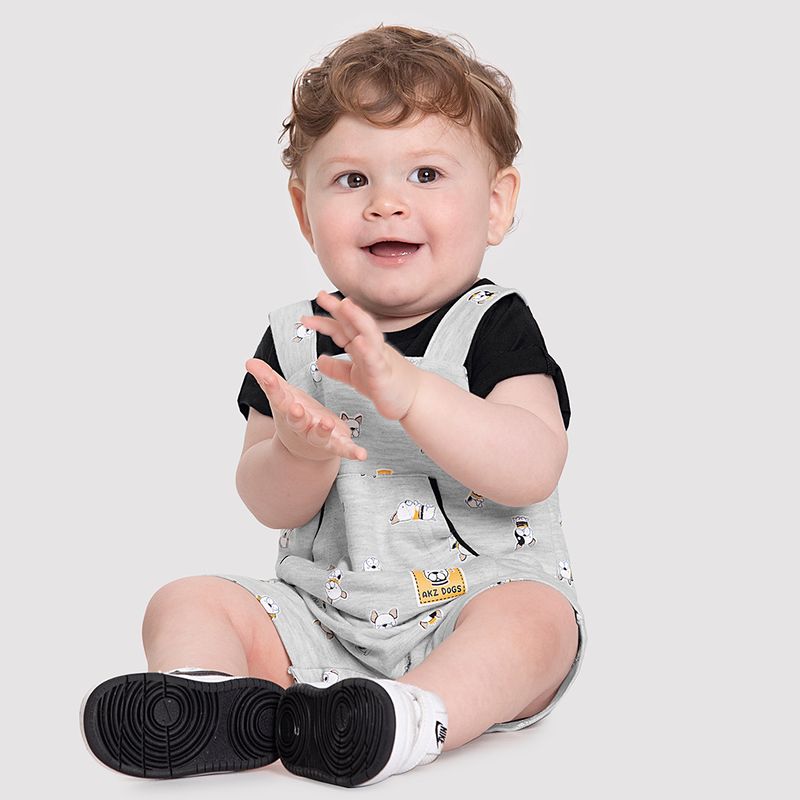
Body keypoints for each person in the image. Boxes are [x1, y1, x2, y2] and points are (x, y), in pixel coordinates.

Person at [80, 23, 587, 788]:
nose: (386, 204)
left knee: (538, 625)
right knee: (183, 599)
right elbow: (268, 504)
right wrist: (298, 453)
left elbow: (533, 464)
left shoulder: (493, 325)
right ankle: (210, 700)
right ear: (303, 209)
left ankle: (413, 716)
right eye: (352, 180)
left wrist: (413, 394)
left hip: (472, 610)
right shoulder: (296, 339)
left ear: (496, 203)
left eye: (425, 174)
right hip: (320, 622)